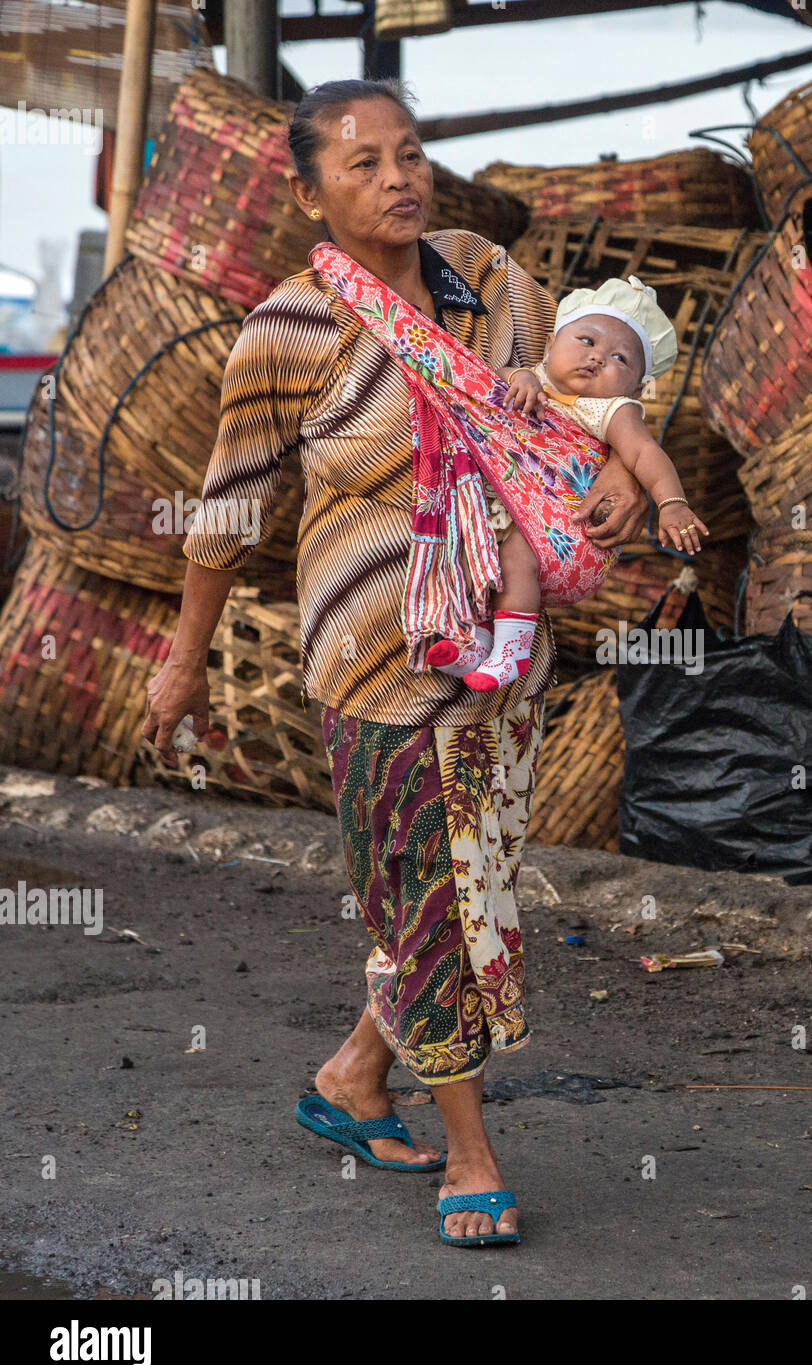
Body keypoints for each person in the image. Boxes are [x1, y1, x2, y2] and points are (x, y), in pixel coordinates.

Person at [139, 77, 649, 1247]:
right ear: (311, 196)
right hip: (373, 656)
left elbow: (580, 403)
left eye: (408, 153)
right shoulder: (291, 328)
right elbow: (229, 508)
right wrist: (182, 662)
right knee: (427, 893)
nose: (396, 178)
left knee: (472, 880)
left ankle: (352, 1077)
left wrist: (625, 465)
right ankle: (471, 1151)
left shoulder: (490, 281)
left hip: (503, 648)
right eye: (362, 164)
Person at [454, 276, 709, 691]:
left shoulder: (611, 410)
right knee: (470, 553)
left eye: (620, 358)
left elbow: (644, 452)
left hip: (557, 531)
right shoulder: (534, 378)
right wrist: (521, 375)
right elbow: (488, 381)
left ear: (638, 387)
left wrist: (671, 502)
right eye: (586, 340)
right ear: (550, 344)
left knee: (516, 558)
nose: (597, 358)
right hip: (497, 508)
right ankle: (473, 642)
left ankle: (513, 650)